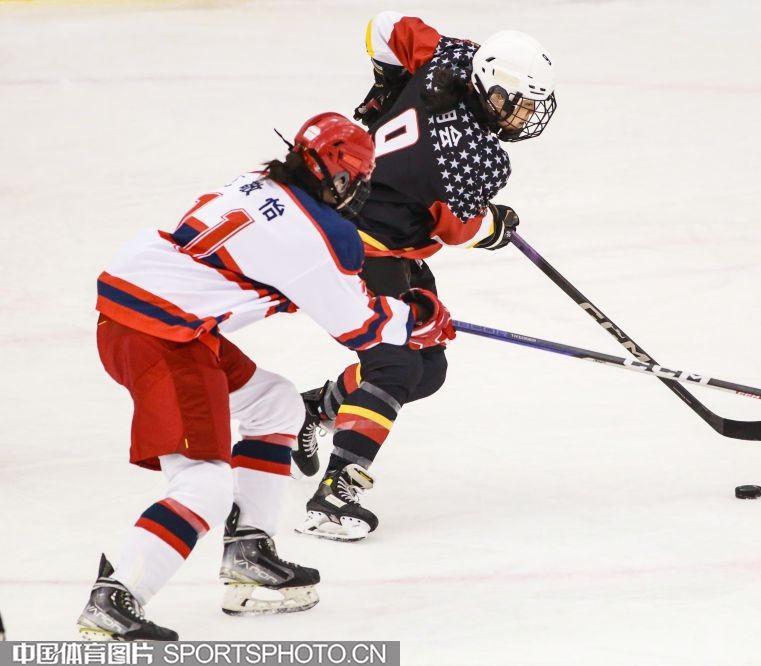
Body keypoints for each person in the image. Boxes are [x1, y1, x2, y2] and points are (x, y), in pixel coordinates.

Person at [79, 112, 454, 640]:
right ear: (337, 176)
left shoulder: (259, 182)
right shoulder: (315, 233)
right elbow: (362, 328)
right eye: (357, 180)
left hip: (153, 312)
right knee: (204, 483)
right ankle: (116, 597)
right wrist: (419, 320)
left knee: (276, 403)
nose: (359, 192)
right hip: (161, 333)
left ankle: (249, 550)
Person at [293, 11, 556, 542]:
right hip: (357, 248)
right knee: (396, 366)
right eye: (520, 105)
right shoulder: (477, 158)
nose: (526, 117)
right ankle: (334, 494)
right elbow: (458, 227)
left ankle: (310, 408)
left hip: (384, 241)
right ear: (493, 93)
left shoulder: (450, 58)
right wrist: (495, 226)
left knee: (428, 370)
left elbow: (386, 25)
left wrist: (386, 86)